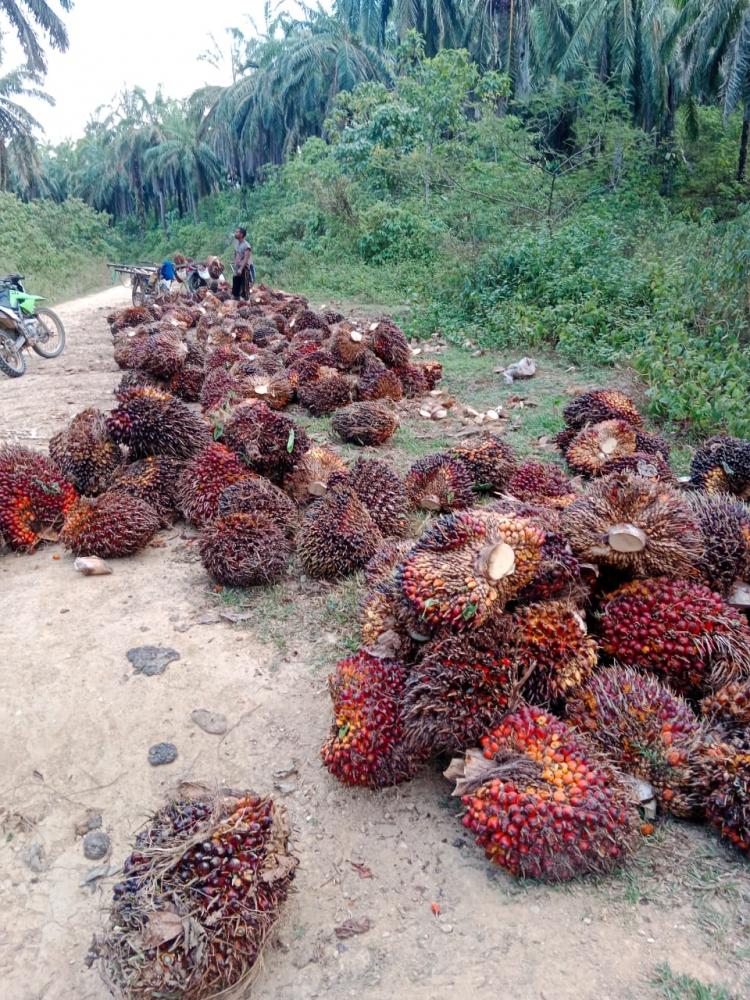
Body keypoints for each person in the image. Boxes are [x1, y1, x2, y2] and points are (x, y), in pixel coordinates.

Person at [232, 226, 254, 300]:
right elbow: (236, 254)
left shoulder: (246, 245)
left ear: (241, 234)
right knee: (235, 290)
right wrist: (234, 262)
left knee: (245, 291)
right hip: (237, 269)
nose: (235, 233)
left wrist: (241, 269)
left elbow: (246, 258)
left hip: (243, 270)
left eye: (237, 232)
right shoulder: (237, 244)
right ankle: (236, 305)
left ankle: (246, 305)